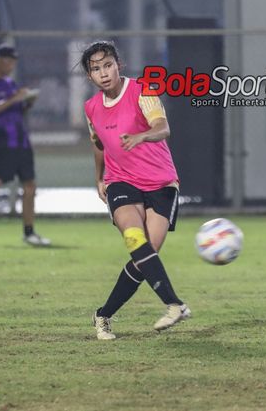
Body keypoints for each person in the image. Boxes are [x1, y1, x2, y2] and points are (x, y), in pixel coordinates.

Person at [82, 41, 190, 340]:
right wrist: (100, 177)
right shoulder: (91, 107)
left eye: (107, 65)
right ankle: (174, 304)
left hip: (161, 182)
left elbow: (163, 127)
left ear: (119, 65)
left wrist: (142, 136)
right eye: (95, 69)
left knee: (146, 257)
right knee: (135, 239)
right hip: (121, 181)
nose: (103, 73)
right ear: (89, 77)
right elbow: (97, 142)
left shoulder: (143, 90)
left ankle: (103, 314)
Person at [0, 43, 51, 248]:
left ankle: (29, 232)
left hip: (21, 142)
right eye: (9, 60)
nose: (12, 64)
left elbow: (16, 111)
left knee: (30, 186)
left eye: (14, 61)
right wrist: (14, 98)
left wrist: (27, 102)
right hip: (3, 143)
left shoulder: (9, 83)